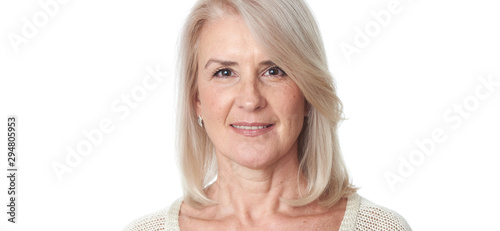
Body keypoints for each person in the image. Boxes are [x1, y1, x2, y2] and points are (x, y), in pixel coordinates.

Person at [125, 0, 412, 230]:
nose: (250, 100)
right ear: (196, 99)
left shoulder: (379, 228)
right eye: (225, 72)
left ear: (309, 94)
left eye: (274, 71)